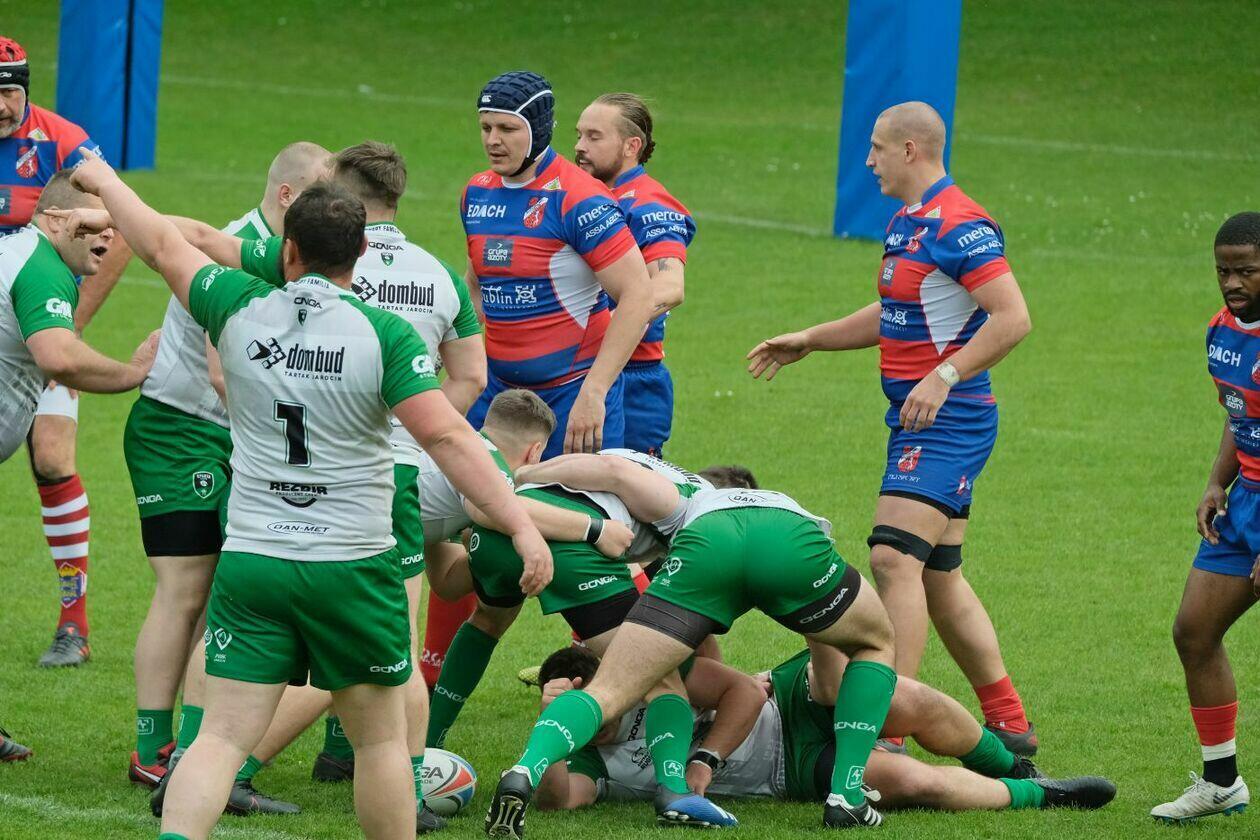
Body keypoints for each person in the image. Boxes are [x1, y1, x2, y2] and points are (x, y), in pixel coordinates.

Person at [68, 150, 551, 840]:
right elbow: (448, 438)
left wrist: (105, 181)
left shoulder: (236, 306)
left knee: (220, 737)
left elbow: (164, 245)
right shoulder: (384, 335)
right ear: (361, 255)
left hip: (255, 560)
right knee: (381, 742)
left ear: (285, 250)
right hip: (352, 566)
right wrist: (521, 525)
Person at [747, 101, 1036, 755]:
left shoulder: (961, 225)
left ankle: (888, 726)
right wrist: (812, 338)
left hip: (948, 420)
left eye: (877, 148)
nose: (868, 160)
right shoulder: (909, 221)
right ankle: (1010, 723)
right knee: (938, 575)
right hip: (915, 419)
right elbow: (897, 311)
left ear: (910, 149)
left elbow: (1012, 317)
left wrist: (945, 376)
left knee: (893, 559)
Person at [486, 483, 899, 836]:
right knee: (875, 643)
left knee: (612, 690)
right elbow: (616, 473)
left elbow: (611, 474)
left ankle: (526, 768)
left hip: (701, 552)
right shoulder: (683, 488)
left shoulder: (666, 496)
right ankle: (846, 795)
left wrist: (537, 472)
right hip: (781, 534)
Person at [124, 141, 329, 796]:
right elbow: (222, 372)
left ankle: (195, 746)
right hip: (181, 431)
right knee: (189, 589)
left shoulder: (281, 254)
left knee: (225, 589)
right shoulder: (236, 251)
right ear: (288, 196)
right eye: (321, 193)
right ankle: (157, 749)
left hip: (225, 436)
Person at [533, 646, 1115, 814]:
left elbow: (743, 691)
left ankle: (1012, 764)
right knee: (912, 782)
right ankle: (1040, 796)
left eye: (595, 704)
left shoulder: (656, 676)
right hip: (793, 770)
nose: (595, 722)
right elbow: (559, 800)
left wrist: (703, 761)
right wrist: (550, 729)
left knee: (910, 699)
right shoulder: (586, 759)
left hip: (788, 703)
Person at [0, 168, 156, 761]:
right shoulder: (40, 265)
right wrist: (133, 374)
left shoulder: (34, 258)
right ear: (59, 219)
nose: (110, 237)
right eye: (98, 224)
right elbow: (60, 358)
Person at [0, 34, 134, 668]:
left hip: (46, 324)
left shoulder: (63, 143)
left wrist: (68, 329)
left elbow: (123, 226)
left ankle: (73, 625)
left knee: (53, 458)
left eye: (9, 93)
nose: (1, 107)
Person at [462, 70, 659, 457]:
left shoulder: (580, 198)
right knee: (470, 493)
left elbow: (638, 295)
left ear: (537, 129)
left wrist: (594, 392)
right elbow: (477, 289)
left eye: (507, 128)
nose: (492, 140)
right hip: (498, 396)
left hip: (571, 395)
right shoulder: (477, 192)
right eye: (486, 127)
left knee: (569, 498)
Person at [1151, 212, 1260, 823]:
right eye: (1223, 270)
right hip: (1245, 503)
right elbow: (1238, 411)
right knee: (1194, 632)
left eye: (1247, 270)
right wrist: (1218, 481)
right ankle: (1222, 783)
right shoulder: (1221, 331)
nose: (1232, 282)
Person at [574, 92, 693, 455]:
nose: (579, 146)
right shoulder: (583, 196)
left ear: (631, 146)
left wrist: (610, 327)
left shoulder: (649, 205)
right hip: (573, 369)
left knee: (615, 484)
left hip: (629, 379)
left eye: (594, 137)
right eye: (579, 135)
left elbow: (669, 286)